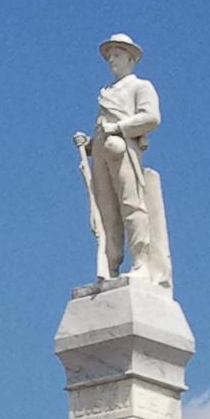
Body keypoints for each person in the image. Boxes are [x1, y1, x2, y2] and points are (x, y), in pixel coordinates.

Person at [75, 33, 172, 287]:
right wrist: (89, 144)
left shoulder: (141, 86)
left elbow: (151, 118)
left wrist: (119, 127)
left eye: (116, 55)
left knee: (131, 205)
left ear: (130, 57)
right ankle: (111, 267)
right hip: (102, 154)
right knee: (107, 213)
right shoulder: (106, 92)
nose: (111, 60)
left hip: (123, 150)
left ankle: (140, 263)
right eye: (109, 56)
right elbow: (103, 126)